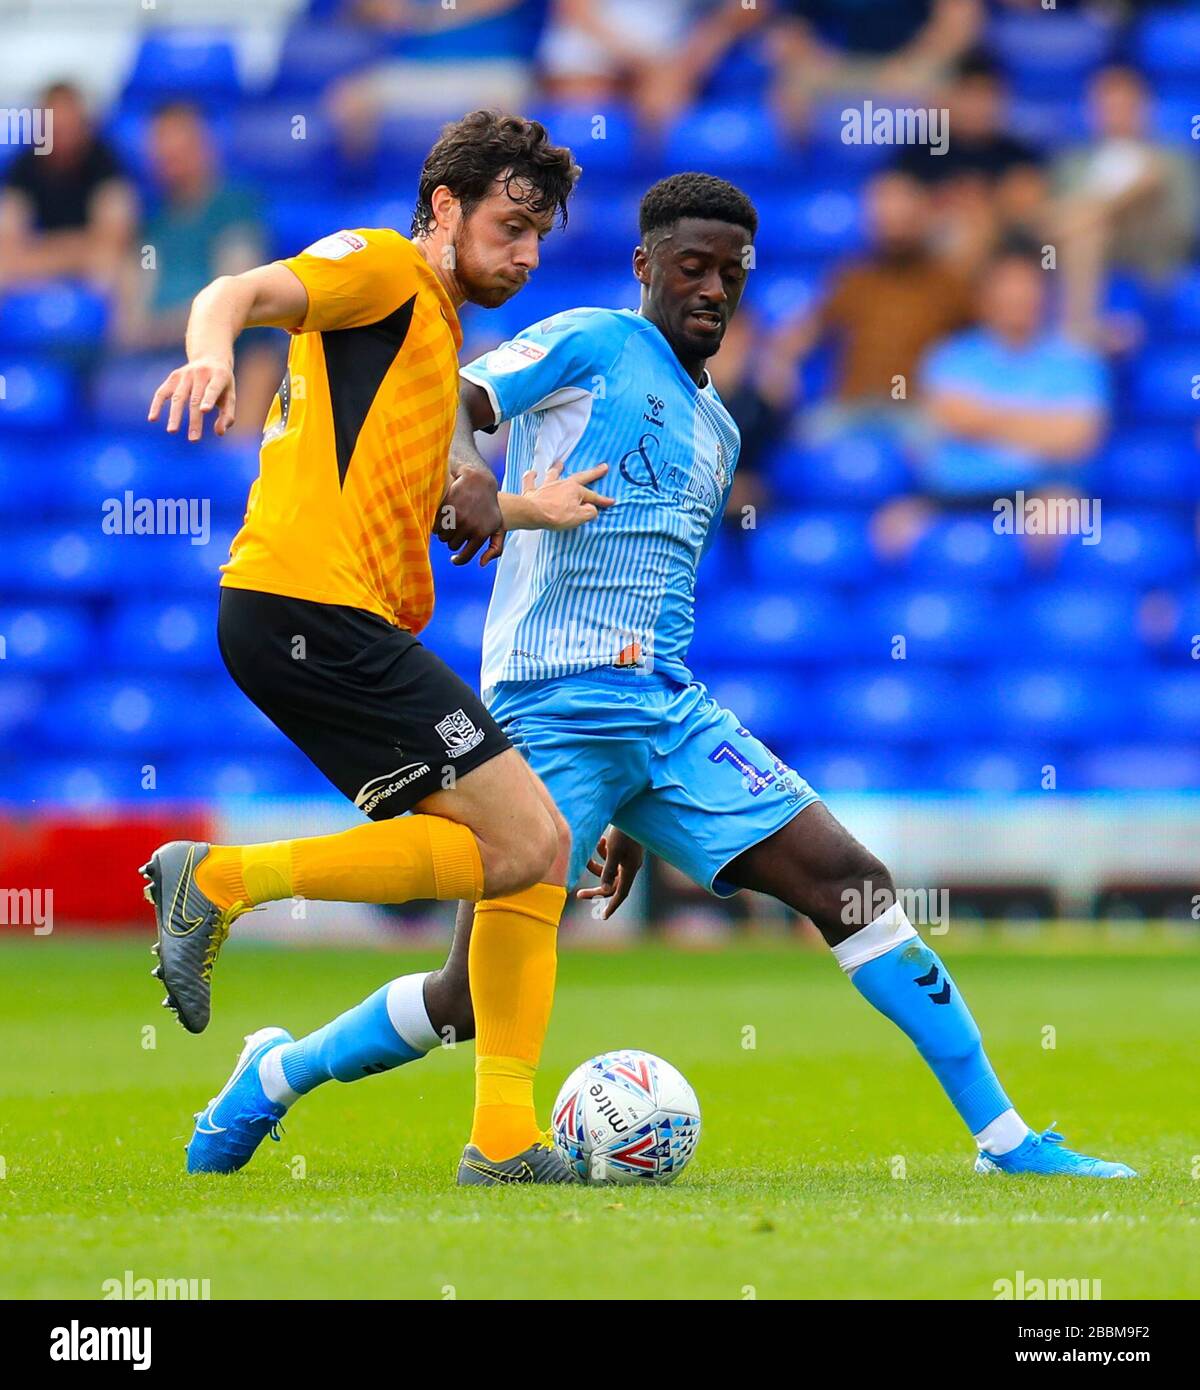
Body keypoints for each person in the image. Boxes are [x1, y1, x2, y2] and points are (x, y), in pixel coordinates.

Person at [189, 172, 1135, 1183]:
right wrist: (470, 475)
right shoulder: (589, 341)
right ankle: (275, 1074)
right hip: (547, 712)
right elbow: (457, 398)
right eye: (693, 267)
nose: (715, 289)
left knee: (852, 884)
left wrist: (633, 804)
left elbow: (663, 601)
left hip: (664, 716)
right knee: (466, 999)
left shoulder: (719, 429)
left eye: (733, 273)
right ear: (646, 266)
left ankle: (1005, 1141)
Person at [140, 111, 610, 1185]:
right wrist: (212, 354)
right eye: (511, 223)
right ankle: (218, 881)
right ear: (445, 208)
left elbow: (441, 495)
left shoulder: (436, 335)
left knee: (522, 849)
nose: (527, 254)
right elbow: (239, 293)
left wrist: (524, 510)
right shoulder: (387, 266)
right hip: (306, 605)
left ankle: (497, 1141)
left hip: (315, 617)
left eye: (539, 235)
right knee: (530, 844)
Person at [113, 102, 282, 436]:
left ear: (204, 147)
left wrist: (181, 327)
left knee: (260, 354)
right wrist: (160, 330)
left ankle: (235, 467)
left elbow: (237, 292)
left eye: (181, 149)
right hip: (159, 348)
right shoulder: (152, 224)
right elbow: (129, 321)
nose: (171, 161)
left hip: (229, 347)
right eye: (163, 153)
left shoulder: (234, 207)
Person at [1050, 64, 1199, 344]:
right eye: (1107, 106)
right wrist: (1123, 199)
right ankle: (1082, 328)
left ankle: (1074, 328)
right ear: (1092, 110)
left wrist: (1132, 205)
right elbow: (1058, 224)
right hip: (1085, 246)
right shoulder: (1072, 163)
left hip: (1151, 249)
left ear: (1145, 107)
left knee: (1083, 221)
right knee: (1084, 227)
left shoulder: (1173, 161)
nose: (1116, 114)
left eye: (1125, 105)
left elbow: (1185, 228)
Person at [538, 0, 765, 128]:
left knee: (664, 106)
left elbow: (749, 6)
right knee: (585, 131)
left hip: (673, 61)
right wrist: (644, 65)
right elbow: (575, 9)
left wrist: (693, 59)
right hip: (589, 59)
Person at [0, 81, 135, 289]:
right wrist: (72, 251)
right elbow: (7, 242)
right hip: (45, 265)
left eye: (68, 125)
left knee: (117, 266)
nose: (62, 135)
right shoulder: (23, 166)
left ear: (83, 125)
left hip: (86, 265)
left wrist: (43, 253)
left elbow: (114, 238)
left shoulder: (106, 161)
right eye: (55, 127)